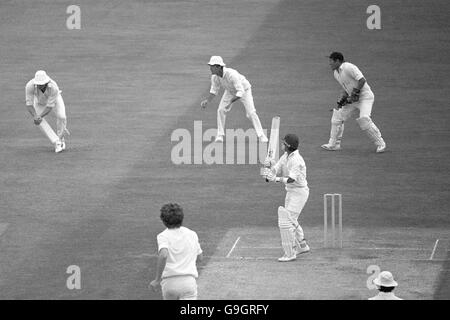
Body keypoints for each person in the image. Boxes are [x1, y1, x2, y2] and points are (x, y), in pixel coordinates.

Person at [321, 52, 386, 153]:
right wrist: (343, 99)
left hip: (365, 97)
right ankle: (334, 144)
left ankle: (380, 143)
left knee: (364, 120)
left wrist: (355, 93)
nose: (330, 63)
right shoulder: (336, 73)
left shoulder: (348, 67)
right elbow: (345, 88)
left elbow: (362, 80)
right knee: (337, 116)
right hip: (353, 99)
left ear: (337, 61)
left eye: (331, 61)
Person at [263, 134, 310, 262]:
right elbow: (276, 168)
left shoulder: (297, 160)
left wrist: (276, 179)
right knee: (291, 219)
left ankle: (290, 253)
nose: (282, 145)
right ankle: (303, 245)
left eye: (284, 143)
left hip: (299, 193)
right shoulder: (286, 156)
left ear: (288, 146)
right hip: (291, 192)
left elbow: (291, 179)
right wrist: (267, 169)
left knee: (287, 221)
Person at [200, 56, 269, 143]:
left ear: (218, 67)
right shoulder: (215, 77)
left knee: (251, 113)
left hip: (244, 90)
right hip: (230, 91)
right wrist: (207, 100)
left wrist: (231, 102)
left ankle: (261, 135)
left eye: (212, 66)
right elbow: (214, 90)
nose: (210, 68)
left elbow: (240, 91)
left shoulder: (232, 74)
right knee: (221, 110)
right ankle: (220, 135)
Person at [149, 203, 203, 300]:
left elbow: (164, 255)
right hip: (188, 282)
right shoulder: (192, 234)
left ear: (163, 220)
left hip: (169, 283)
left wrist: (157, 280)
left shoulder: (163, 236)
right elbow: (200, 258)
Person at [25, 70, 69, 153]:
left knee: (62, 116)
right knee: (39, 121)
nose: (40, 86)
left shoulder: (53, 87)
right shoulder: (29, 86)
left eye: (42, 84)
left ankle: (61, 138)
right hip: (39, 102)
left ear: (46, 82)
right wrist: (35, 116)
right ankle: (56, 142)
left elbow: (49, 107)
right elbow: (29, 103)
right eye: (39, 84)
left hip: (55, 100)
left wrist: (40, 116)